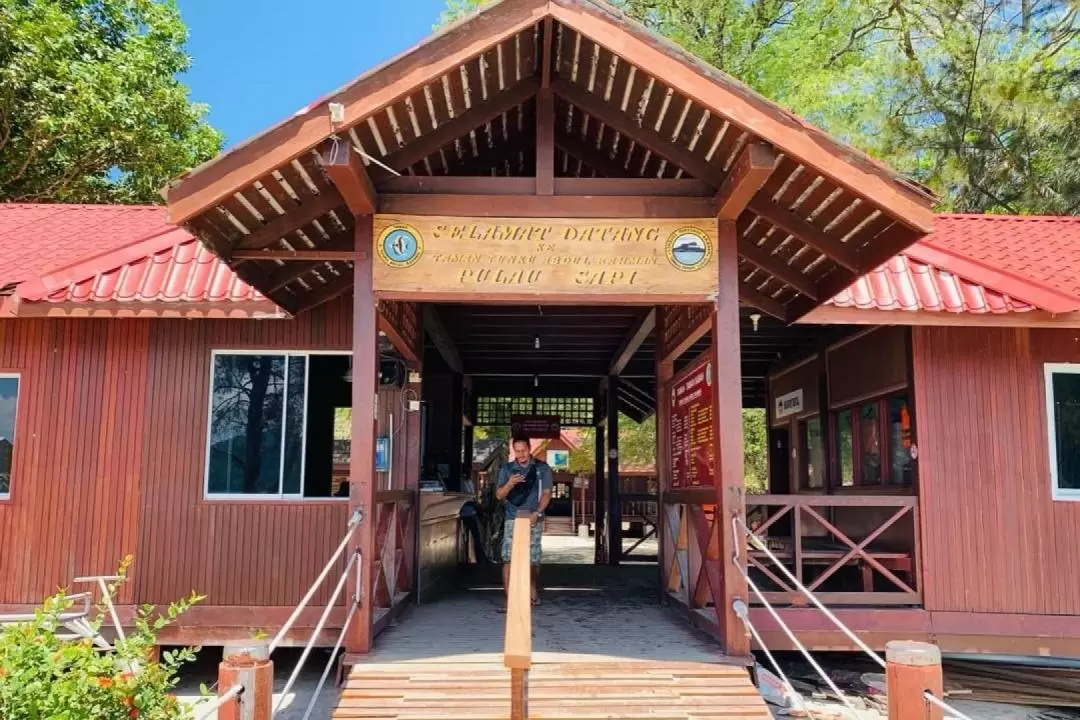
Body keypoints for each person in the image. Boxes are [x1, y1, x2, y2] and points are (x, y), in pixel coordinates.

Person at [495, 436, 553, 606]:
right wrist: (510, 483)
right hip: (512, 517)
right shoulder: (507, 469)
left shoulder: (541, 468)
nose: (520, 454)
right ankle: (509, 597)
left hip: (533, 516)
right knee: (508, 558)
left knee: (533, 560)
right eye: (517, 451)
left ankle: (532, 587)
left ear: (529, 449)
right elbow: (499, 495)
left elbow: (547, 493)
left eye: (523, 450)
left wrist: (538, 512)